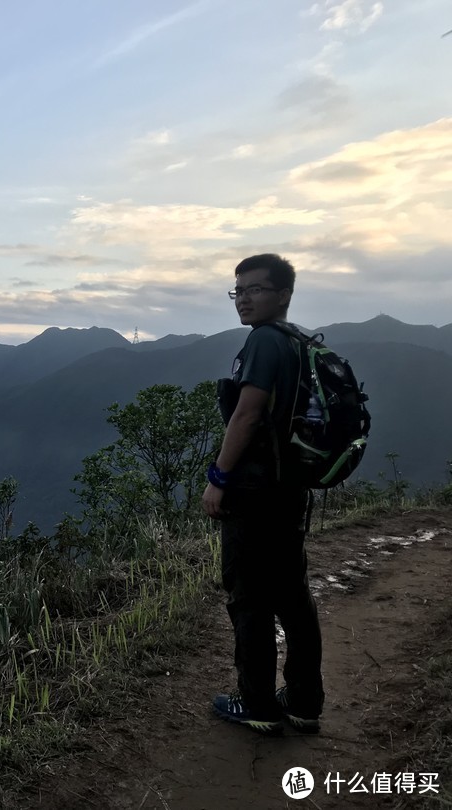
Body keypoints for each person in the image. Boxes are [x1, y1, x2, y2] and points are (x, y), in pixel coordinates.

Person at [201, 254, 324, 736]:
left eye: (256, 289)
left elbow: (247, 415)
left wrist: (218, 478)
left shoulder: (264, 343)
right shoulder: (298, 343)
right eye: (238, 291)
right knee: (294, 598)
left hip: (255, 493)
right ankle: (304, 702)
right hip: (289, 490)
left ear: (284, 294)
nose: (245, 299)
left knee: (250, 597)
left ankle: (256, 703)